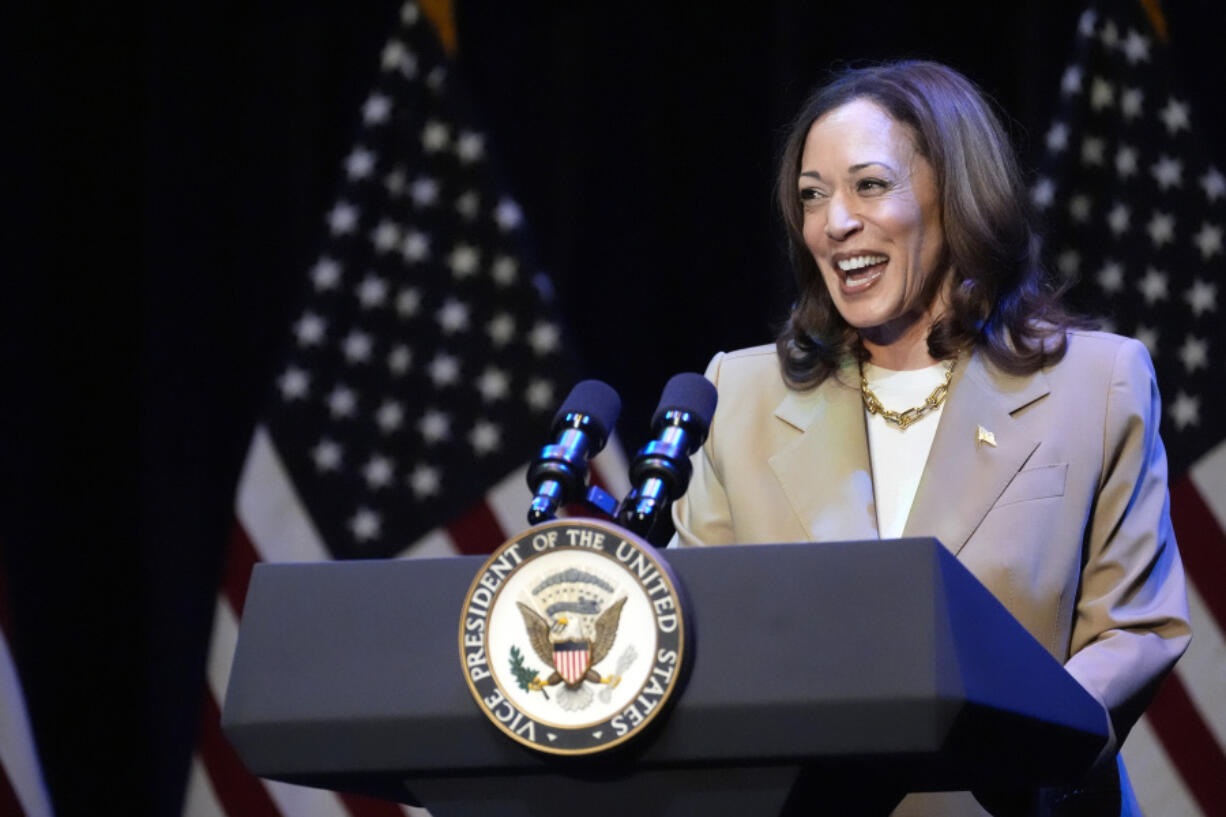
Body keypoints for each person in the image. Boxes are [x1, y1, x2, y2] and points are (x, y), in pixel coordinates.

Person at [670, 60, 1190, 816]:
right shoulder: (741, 392)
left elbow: (1135, 629)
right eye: (812, 196)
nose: (834, 222)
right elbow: (697, 626)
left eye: (868, 185)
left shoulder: (1096, 384)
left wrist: (1004, 745)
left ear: (954, 192)